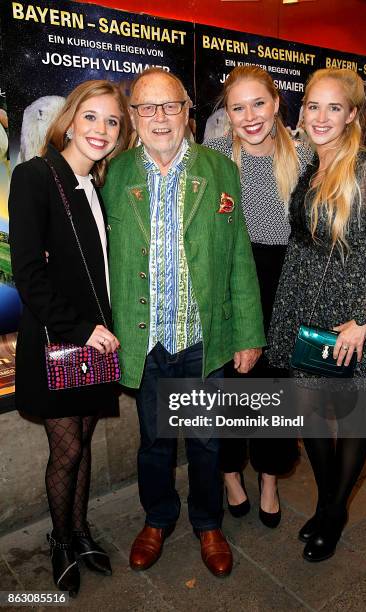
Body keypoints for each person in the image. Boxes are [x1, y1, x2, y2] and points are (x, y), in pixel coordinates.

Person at [102, 67, 265, 577]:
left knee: (206, 441)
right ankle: (157, 518)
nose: (159, 118)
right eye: (146, 108)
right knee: (153, 441)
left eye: (170, 106)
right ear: (132, 117)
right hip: (145, 339)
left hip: (202, 336)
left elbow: (239, 253)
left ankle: (207, 522)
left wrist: (248, 333)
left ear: (187, 113)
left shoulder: (219, 170)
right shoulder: (113, 174)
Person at [267, 68, 366, 562]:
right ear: (302, 111)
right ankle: (328, 504)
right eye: (312, 106)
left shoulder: (365, 169)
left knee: (348, 413)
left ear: (350, 116)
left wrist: (364, 320)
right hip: (304, 306)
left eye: (333, 108)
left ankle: (333, 512)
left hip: (347, 316)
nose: (320, 117)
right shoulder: (311, 164)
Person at [8, 80, 131, 596]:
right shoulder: (36, 176)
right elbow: (29, 274)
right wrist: (83, 330)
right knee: (64, 451)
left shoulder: (93, 186)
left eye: (112, 122)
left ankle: (79, 533)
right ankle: (60, 541)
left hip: (92, 345)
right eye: (92, 117)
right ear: (70, 119)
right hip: (62, 342)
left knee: (80, 443)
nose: (101, 130)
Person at [205, 66, 311, 528]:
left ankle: (268, 478)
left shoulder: (305, 156)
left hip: (284, 292)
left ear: (276, 104)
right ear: (226, 113)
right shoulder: (211, 158)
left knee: (274, 391)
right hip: (229, 289)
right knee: (228, 390)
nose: (249, 116)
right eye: (237, 107)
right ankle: (231, 475)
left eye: (258, 104)